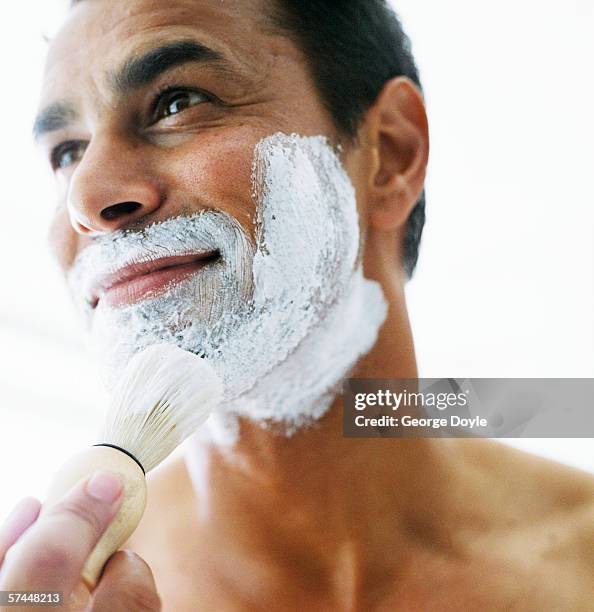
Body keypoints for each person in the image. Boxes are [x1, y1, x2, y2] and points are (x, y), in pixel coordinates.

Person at [1, 0, 593, 609]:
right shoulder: (65, 593)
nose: (86, 198)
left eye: (178, 102)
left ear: (388, 153)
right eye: (67, 152)